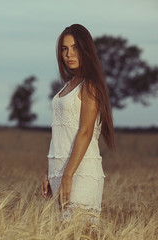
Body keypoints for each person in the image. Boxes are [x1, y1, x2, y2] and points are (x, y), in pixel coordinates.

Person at [41, 24, 115, 222]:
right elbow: (59, 133)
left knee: (82, 232)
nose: (68, 54)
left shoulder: (89, 85)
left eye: (75, 48)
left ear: (86, 50)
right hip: (60, 172)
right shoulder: (68, 85)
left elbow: (85, 132)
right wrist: (48, 172)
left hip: (79, 173)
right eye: (64, 49)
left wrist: (68, 175)